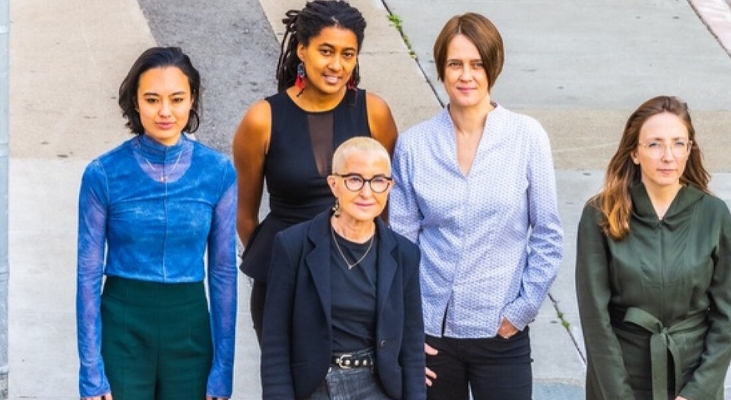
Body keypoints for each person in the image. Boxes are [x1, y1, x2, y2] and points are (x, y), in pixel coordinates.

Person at [389, 13, 563, 400]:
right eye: (455, 64)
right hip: (433, 335)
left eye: (476, 64)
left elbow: (549, 234)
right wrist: (409, 329)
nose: (466, 75)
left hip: (500, 333)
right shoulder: (414, 145)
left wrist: (521, 310)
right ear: (441, 69)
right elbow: (400, 246)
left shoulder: (526, 137)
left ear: (492, 67)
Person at [233, 0, 398, 345]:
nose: (337, 65)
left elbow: (387, 208)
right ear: (302, 49)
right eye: (326, 50)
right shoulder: (262, 119)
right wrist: (286, 260)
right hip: (285, 280)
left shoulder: (375, 113)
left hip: (361, 278)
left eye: (348, 54)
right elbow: (245, 216)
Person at [76, 47, 237, 400]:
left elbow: (224, 273)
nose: (165, 111)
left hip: (190, 326)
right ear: (135, 102)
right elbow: (87, 274)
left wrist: (224, 370)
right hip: (123, 326)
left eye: (177, 99)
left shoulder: (218, 172)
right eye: (152, 99)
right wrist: (91, 372)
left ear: (192, 100)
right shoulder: (103, 174)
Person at [575, 95, 731, 400]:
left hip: (692, 376)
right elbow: (594, 320)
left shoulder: (713, 214)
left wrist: (697, 392)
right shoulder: (600, 215)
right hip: (621, 375)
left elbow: (726, 318)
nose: (668, 156)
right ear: (635, 153)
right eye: (654, 144)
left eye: (679, 143)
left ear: (690, 150)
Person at [260, 137, 425, 400]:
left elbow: (412, 344)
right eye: (354, 179)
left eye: (378, 181)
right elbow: (276, 341)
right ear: (334, 184)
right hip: (315, 387)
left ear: (389, 186)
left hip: (379, 387)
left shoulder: (404, 253)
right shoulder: (293, 245)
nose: (367, 192)